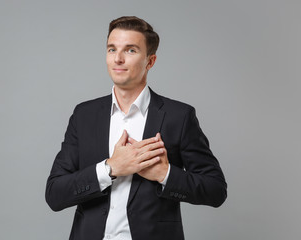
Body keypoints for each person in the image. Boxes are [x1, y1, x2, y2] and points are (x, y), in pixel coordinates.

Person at [45, 16, 227, 240]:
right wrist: (110, 168)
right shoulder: (84, 115)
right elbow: (54, 194)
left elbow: (216, 190)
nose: (118, 59)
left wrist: (165, 174)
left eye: (130, 50)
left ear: (150, 61)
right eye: (112, 49)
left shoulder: (179, 117)